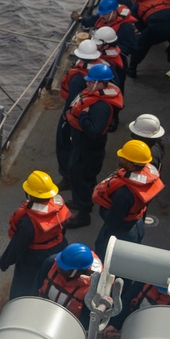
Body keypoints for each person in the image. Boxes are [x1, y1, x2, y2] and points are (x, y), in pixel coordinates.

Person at [64, 64, 124, 227]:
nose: (88, 84)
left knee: (81, 175)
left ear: (101, 83)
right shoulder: (95, 98)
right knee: (78, 173)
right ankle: (82, 200)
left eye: (91, 82)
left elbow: (94, 131)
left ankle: (84, 214)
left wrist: (83, 116)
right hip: (81, 144)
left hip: (89, 147)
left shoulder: (101, 106)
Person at [0, 171, 69, 299]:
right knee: (47, 283)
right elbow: (63, 229)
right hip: (58, 252)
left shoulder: (28, 222)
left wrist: (4, 262)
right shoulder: (59, 210)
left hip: (33, 260)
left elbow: (17, 246)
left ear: (29, 194)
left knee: (23, 290)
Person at [92, 140, 164, 259]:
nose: (119, 157)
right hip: (137, 225)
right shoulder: (147, 178)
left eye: (123, 157)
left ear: (131, 165)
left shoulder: (124, 193)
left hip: (121, 232)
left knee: (105, 256)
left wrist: (103, 206)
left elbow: (112, 221)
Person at [56, 38, 102, 186]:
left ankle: (67, 177)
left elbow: (71, 101)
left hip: (77, 117)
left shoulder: (78, 78)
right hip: (94, 114)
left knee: (64, 143)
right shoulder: (104, 69)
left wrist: (65, 118)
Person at [36, 242, 103, 327]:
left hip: (67, 325)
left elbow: (85, 320)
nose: (58, 267)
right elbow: (37, 285)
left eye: (64, 268)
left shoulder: (92, 290)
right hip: (43, 311)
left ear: (79, 271)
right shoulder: (51, 263)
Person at [104, 282, 170, 336]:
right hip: (135, 327)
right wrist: (116, 324)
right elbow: (127, 300)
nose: (159, 291)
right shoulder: (145, 283)